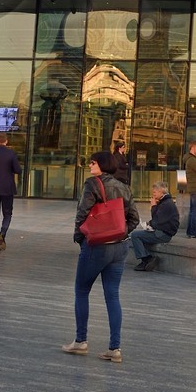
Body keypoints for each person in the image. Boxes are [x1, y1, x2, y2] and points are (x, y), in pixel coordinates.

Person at [62, 151, 139, 363]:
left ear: (101, 165)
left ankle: (80, 341)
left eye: (93, 162)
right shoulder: (124, 186)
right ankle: (115, 348)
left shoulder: (92, 184)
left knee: (81, 290)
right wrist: (120, 233)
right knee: (112, 295)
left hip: (96, 246)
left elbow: (82, 213)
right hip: (119, 247)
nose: (89, 165)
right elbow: (134, 218)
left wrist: (81, 238)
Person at [130, 180, 179, 271]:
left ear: (161, 192)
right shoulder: (166, 202)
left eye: (154, 192)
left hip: (164, 234)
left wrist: (153, 206)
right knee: (137, 234)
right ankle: (146, 258)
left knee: (135, 235)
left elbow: (157, 220)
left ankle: (146, 259)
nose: (153, 194)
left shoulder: (166, 204)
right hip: (163, 231)